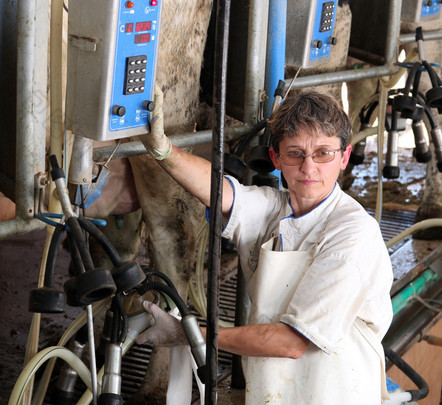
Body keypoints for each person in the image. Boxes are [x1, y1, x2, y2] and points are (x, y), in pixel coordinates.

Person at [134, 87, 394, 404]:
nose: (309, 168)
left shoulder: (352, 233)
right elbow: (219, 191)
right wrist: (163, 150)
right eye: (295, 153)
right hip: (275, 388)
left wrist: (189, 335)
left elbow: (292, 342)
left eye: (323, 153)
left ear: (344, 157)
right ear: (275, 159)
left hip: (336, 390)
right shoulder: (274, 209)